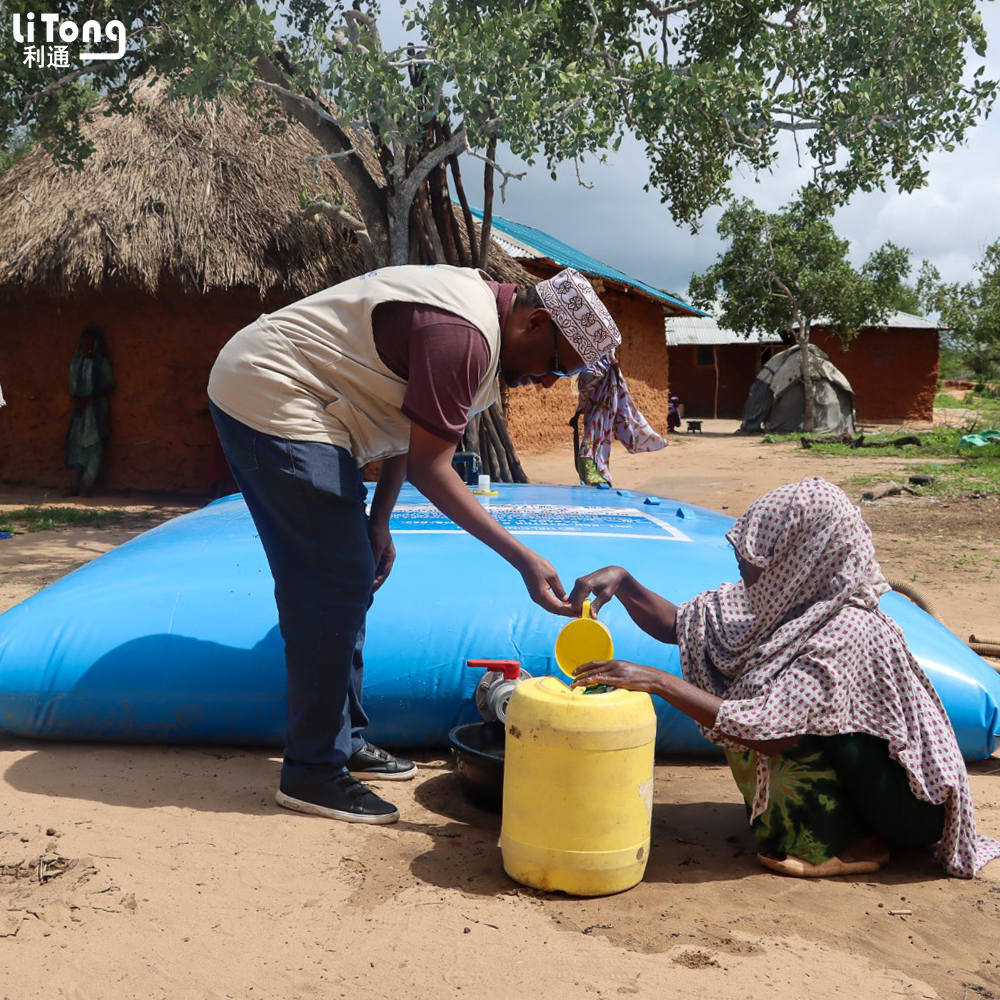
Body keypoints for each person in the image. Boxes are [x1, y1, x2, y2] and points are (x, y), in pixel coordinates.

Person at [208, 264, 620, 825]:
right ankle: (312, 770)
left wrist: (379, 521)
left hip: (312, 407)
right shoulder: (463, 336)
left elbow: (412, 426)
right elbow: (432, 468)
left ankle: (341, 740)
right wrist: (522, 558)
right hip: (271, 391)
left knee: (351, 572)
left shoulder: (482, 334)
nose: (549, 383)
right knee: (331, 582)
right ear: (537, 322)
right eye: (555, 366)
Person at [569, 477, 1000, 878]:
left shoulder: (849, 627)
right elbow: (684, 624)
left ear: (802, 555)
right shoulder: (786, 597)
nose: (743, 562)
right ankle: (825, 821)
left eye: (759, 556)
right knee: (756, 707)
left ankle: (853, 843)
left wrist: (658, 681)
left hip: (908, 804)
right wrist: (624, 582)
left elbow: (773, 733)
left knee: (785, 725)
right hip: (868, 780)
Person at [569, 350, 666, 487]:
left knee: (593, 423)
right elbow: (611, 356)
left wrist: (578, 411)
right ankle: (592, 465)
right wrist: (617, 374)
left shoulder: (584, 346)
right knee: (600, 425)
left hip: (588, 376)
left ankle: (592, 468)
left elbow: (584, 394)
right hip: (603, 376)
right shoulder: (607, 340)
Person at [65, 326, 114, 496]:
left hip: (95, 413)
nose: (88, 347)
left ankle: (87, 486)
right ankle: (74, 487)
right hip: (80, 412)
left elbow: (110, 387)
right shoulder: (76, 363)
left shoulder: (101, 364)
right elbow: (72, 387)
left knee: (95, 448)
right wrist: (76, 400)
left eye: (92, 343)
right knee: (77, 447)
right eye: (85, 343)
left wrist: (91, 398)